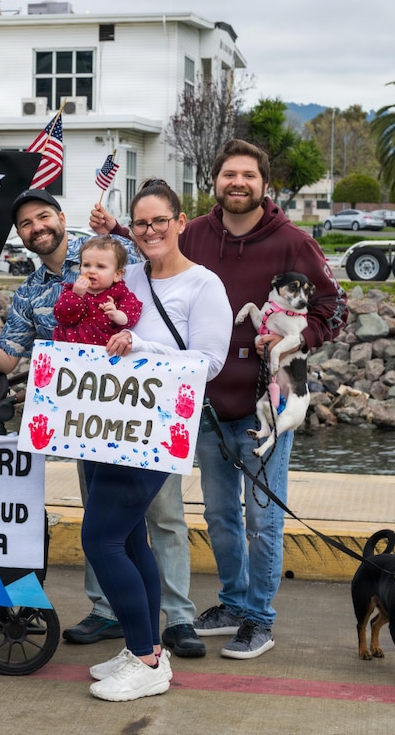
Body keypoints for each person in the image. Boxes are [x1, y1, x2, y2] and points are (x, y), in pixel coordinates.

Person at [183, 139, 348, 659]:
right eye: (229, 173)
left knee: (263, 519)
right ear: (215, 180)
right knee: (219, 515)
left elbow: (335, 309)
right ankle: (233, 603)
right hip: (207, 405)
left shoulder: (294, 241)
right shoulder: (192, 237)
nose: (238, 182)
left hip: (269, 407)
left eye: (248, 175)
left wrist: (296, 338)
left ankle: (259, 618)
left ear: (264, 184)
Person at [0, 188, 152, 648]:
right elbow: (7, 361)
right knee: (100, 514)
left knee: (160, 517)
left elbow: (157, 259)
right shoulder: (30, 292)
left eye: (43, 216)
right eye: (27, 224)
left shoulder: (106, 248)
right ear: (22, 236)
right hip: (83, 419)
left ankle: (177, 617)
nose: (37, 228)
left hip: (137, 405)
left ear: (61, 216)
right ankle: (108, 610)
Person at [82, 178, 231, 702]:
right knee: (126, 539)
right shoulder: (133, 277)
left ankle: (146, 659)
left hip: (155, 430)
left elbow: (209, 364)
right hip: (109, 424)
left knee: (99, 539)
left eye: (158, 221)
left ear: (180, 222)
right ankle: (141, 647)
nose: (149, 231)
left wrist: (141, 345)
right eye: (141, 223)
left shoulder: (204, 285)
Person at [52, 234, 142, 345]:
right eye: (86, 265)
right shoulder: (72, 291)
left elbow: (131, 315)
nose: (91, 271)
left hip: (104, 351)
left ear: (117, 275)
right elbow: (62, 316)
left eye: (100, 266)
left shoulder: (119, 293)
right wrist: (76, 296)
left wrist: (116, 315)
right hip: (70, 350)